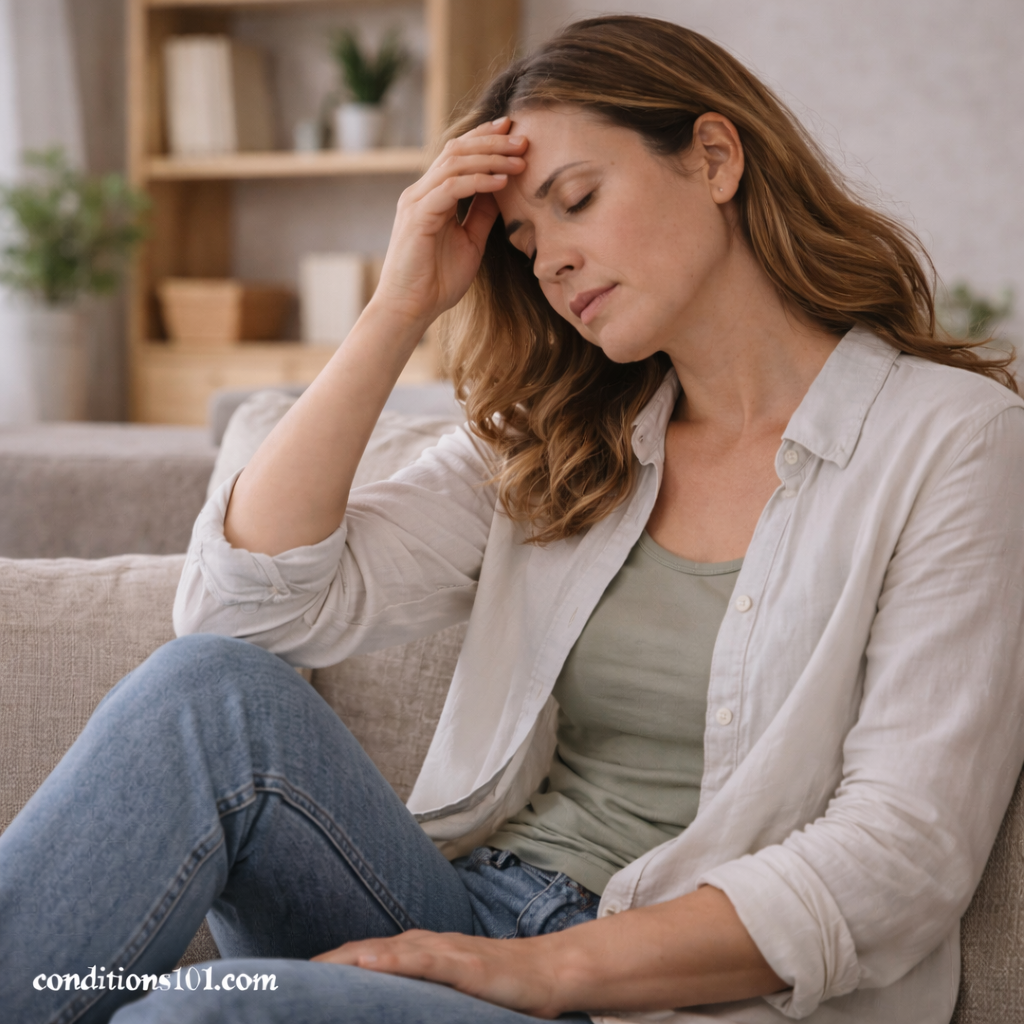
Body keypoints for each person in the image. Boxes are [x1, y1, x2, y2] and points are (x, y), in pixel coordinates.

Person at [3, 14, 1023, 1024]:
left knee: (206, 1011)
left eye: (577, 201)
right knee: (207, 691)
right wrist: (398, 307)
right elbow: (240, 614)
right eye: (525, 240)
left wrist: (547, 972)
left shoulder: (953, 441)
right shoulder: (563, 436)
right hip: (477, 911)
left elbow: (903, 852)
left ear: (714, 158)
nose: (549, 263)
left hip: (667, 992)